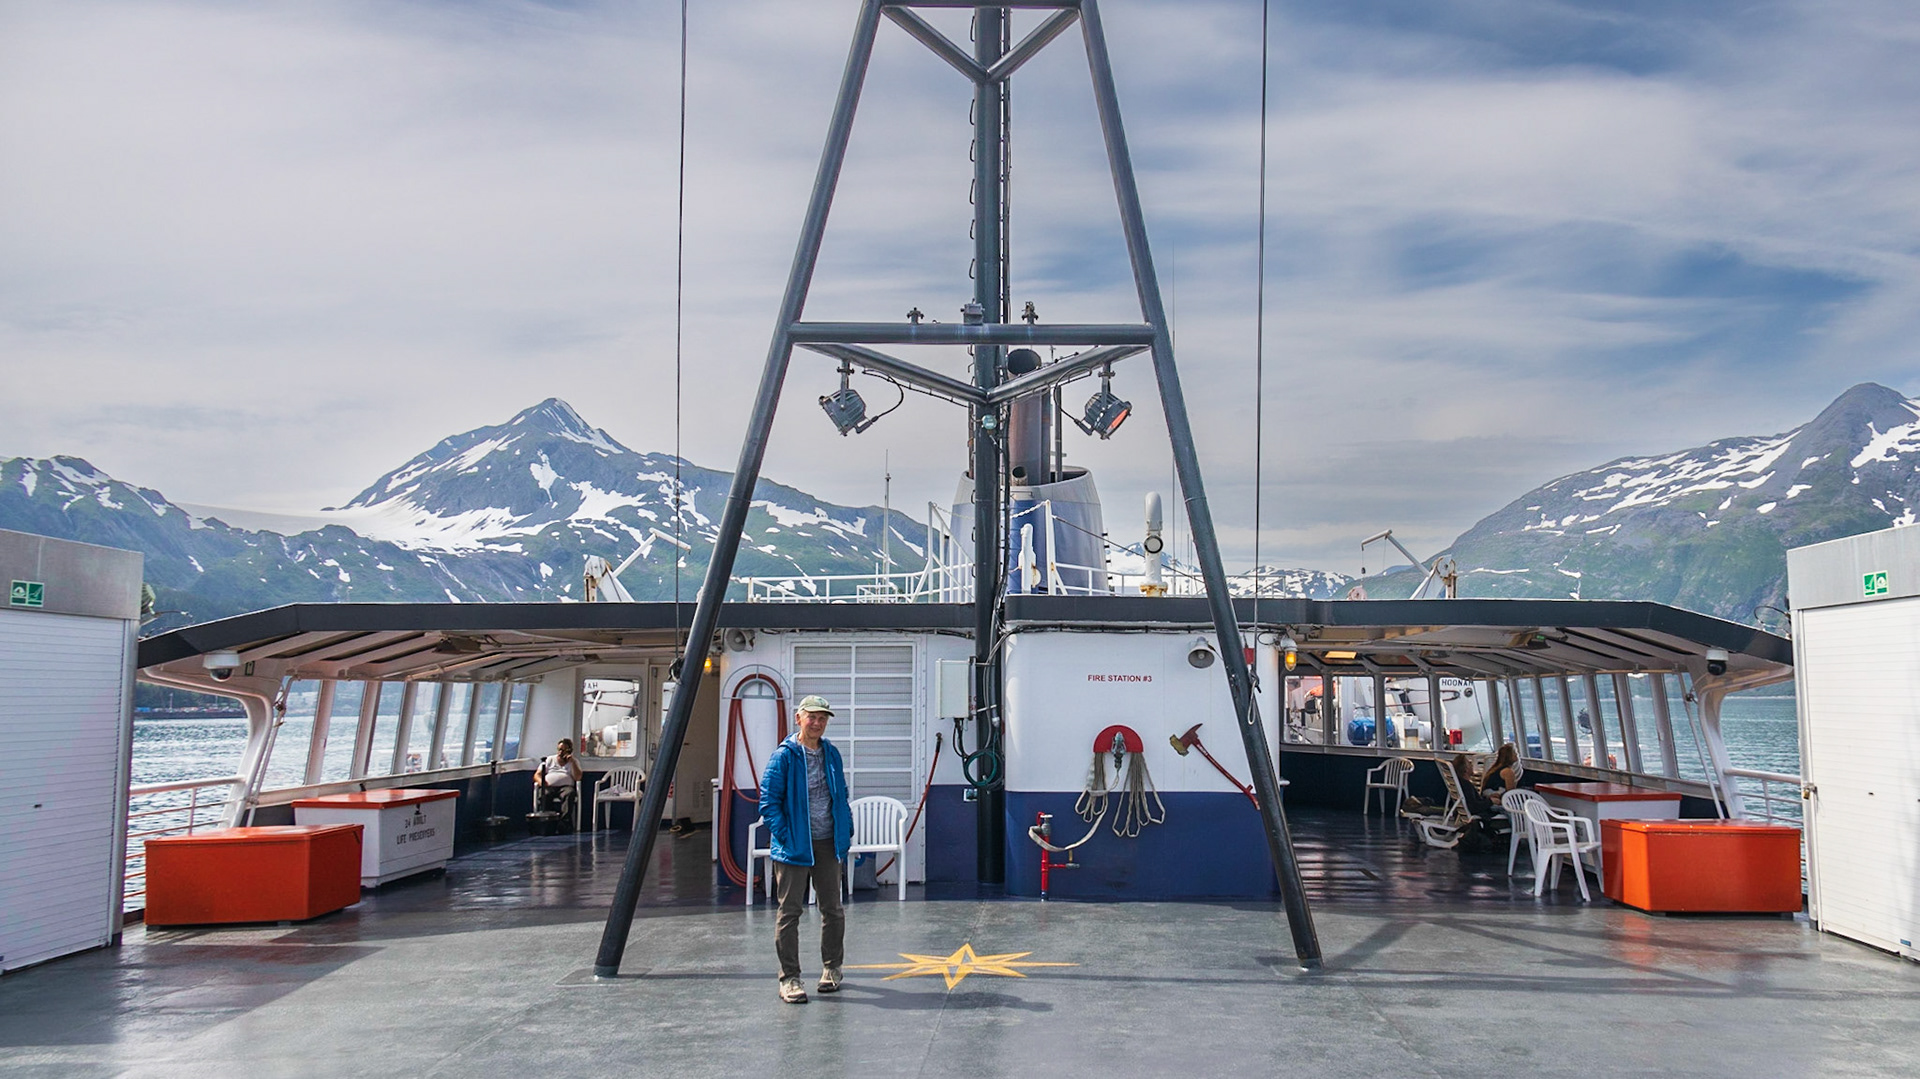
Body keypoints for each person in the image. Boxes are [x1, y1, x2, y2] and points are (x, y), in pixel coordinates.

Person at [758, 694, 853, 1004]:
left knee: (833, 910)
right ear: (798, 718)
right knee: (789, 913)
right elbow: (769, 803)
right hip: (794, 847)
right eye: (812, 717)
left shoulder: (832, 754)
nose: (817, 723)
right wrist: (786, 837)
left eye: (823, 718)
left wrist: (845, 829)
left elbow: (841, 795)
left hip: (828, 844)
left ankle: (832, 969)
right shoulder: (784, 757)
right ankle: (790, 978)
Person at [535, 738, 583, 815]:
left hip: (565, 787)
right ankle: (549, 819)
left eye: (564, 750)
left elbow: (578, 778)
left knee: (569, 794)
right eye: (559, 750)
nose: (561, 752)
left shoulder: (574, 762)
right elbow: (537, 775)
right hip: (549, 786)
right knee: (544, 795)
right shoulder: (550, 759)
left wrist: (572, 762)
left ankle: (564, 823)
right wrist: (542, 782)